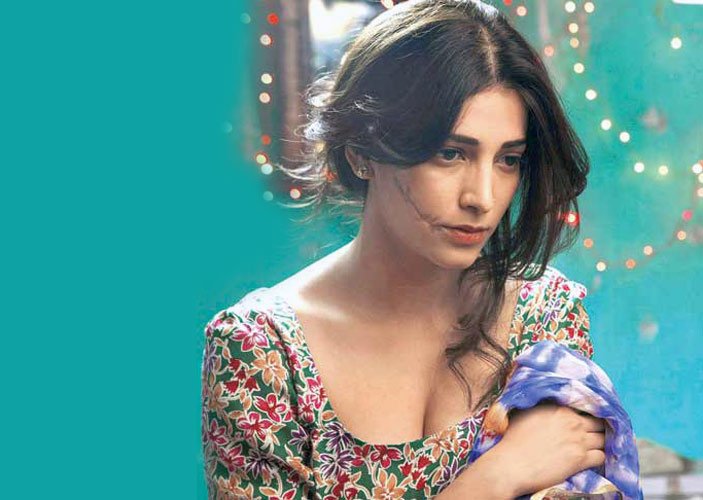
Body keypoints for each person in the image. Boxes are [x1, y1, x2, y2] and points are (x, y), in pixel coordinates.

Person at [201, 0, 608, 498]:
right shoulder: (262, 352)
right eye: (450, 154)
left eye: (508, 160)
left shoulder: (545, 315)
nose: (482, 198)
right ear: (362, 154)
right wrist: (495, 479)